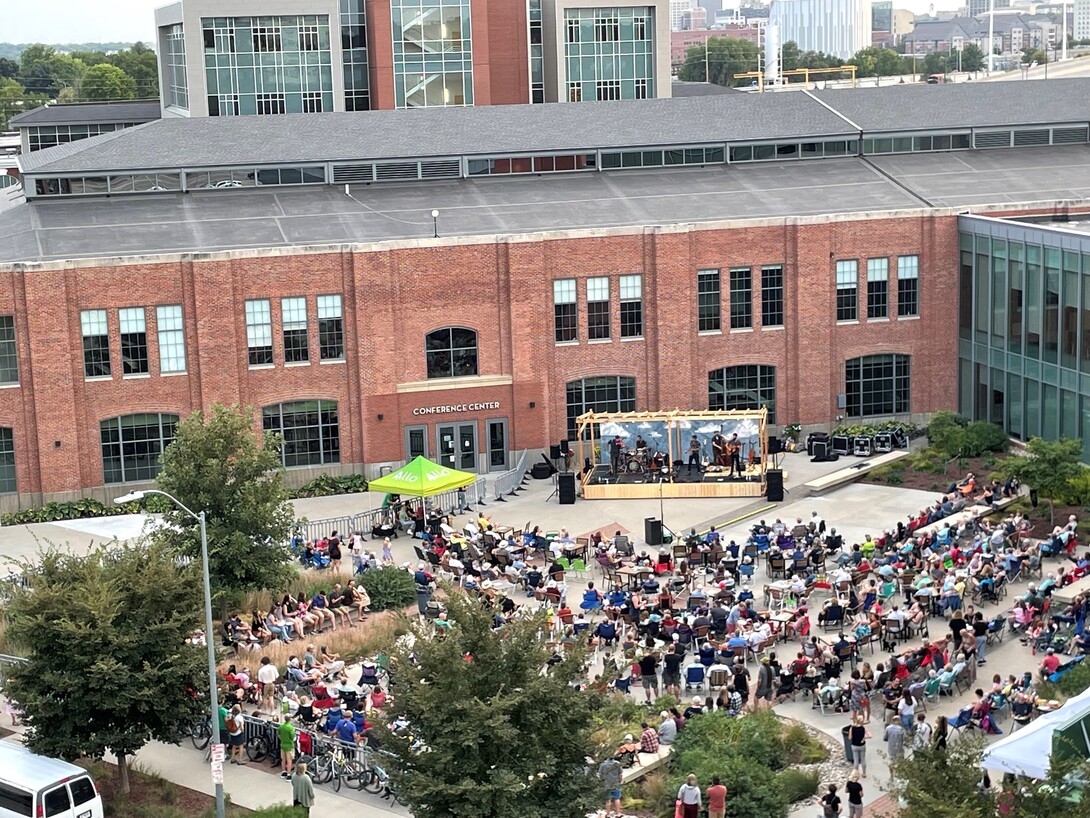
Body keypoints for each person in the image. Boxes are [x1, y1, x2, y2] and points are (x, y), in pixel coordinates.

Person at [848, 712, 869, 777]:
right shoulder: (863, 728)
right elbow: (869, 735)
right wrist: (864, 738)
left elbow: (849, 738)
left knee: (856, 760)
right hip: (862, 745)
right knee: (863, 759)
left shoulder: (852, 728)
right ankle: (864, 773)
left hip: (854, 745)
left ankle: (856, 774)